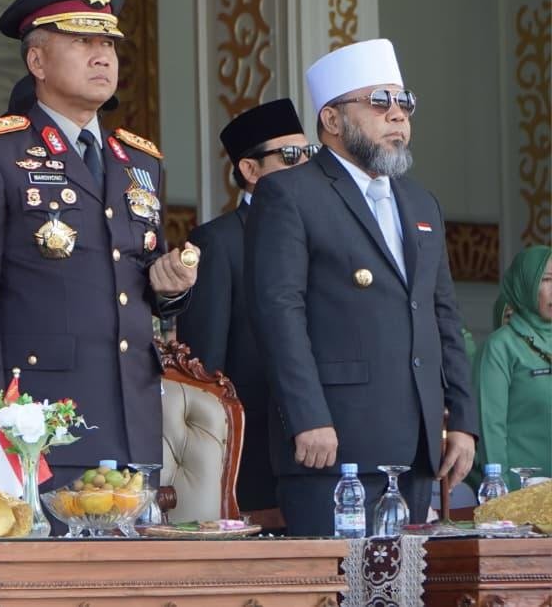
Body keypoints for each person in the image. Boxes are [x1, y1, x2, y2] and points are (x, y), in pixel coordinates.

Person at [0, 0, 199, 486]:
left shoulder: (139, 160)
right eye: (82, 41)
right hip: (39, 417)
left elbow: (136, 277)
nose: (101, 56)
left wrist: (170, 286)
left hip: (132, 412)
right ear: (37, 61)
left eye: (108, 44)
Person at [245, 38, 477, 536]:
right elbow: (279, 311)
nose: (398, 116)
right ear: (332, 120)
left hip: (415, 446)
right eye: (379, 102)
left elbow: (443, 317)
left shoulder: (421, 203)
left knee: (403, 588)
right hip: (333, 442)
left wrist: (461, 420)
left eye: (404, 103)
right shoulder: (289, 193)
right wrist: (306, 416)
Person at [178, 98, 314, 514]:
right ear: (250, 170)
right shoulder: (219, 241)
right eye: (290, 156)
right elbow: (206, 365)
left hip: (322, 434)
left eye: (310, 154)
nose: (305, 165)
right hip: (254, 444)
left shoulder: (324, 231)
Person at [472, 245, 552, 491]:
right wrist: (501, 496)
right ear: (525, 285)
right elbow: (490, 429)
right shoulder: (501, 346)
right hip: (521, 496)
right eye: (547, 280)